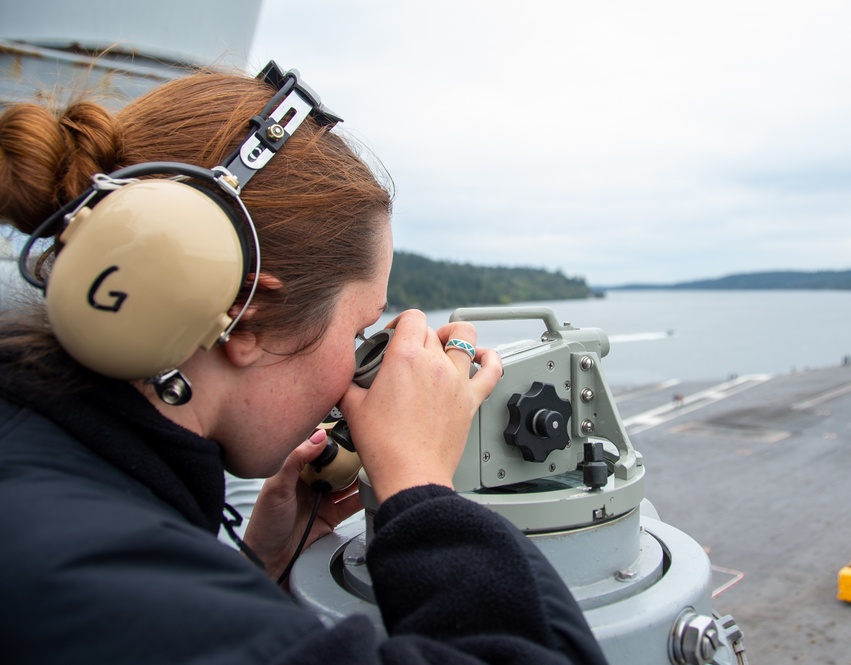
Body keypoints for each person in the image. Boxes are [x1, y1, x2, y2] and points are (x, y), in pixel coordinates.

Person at [0, 64, 608, 665]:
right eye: (359, 329)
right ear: (247, 319)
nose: (356, 369)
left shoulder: (57, 498)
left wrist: (256, 573)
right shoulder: (104, 581)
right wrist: (421, 488)